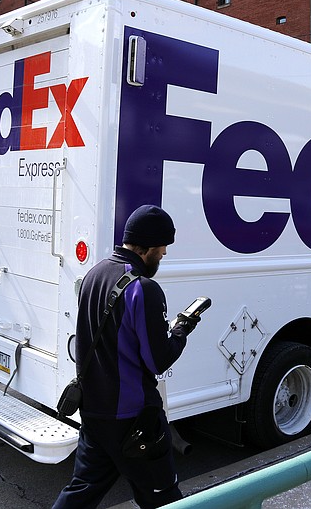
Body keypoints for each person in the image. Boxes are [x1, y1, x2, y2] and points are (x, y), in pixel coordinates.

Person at [53, 205, 200, 509]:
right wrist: (181, 331)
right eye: (163, 247)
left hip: (94, 412)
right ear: (150, 246)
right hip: (134, 418)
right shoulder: (144, 288)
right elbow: (157, 360)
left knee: (81, 492)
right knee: (163, 498)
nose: (164, 255)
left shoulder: (95, 273)